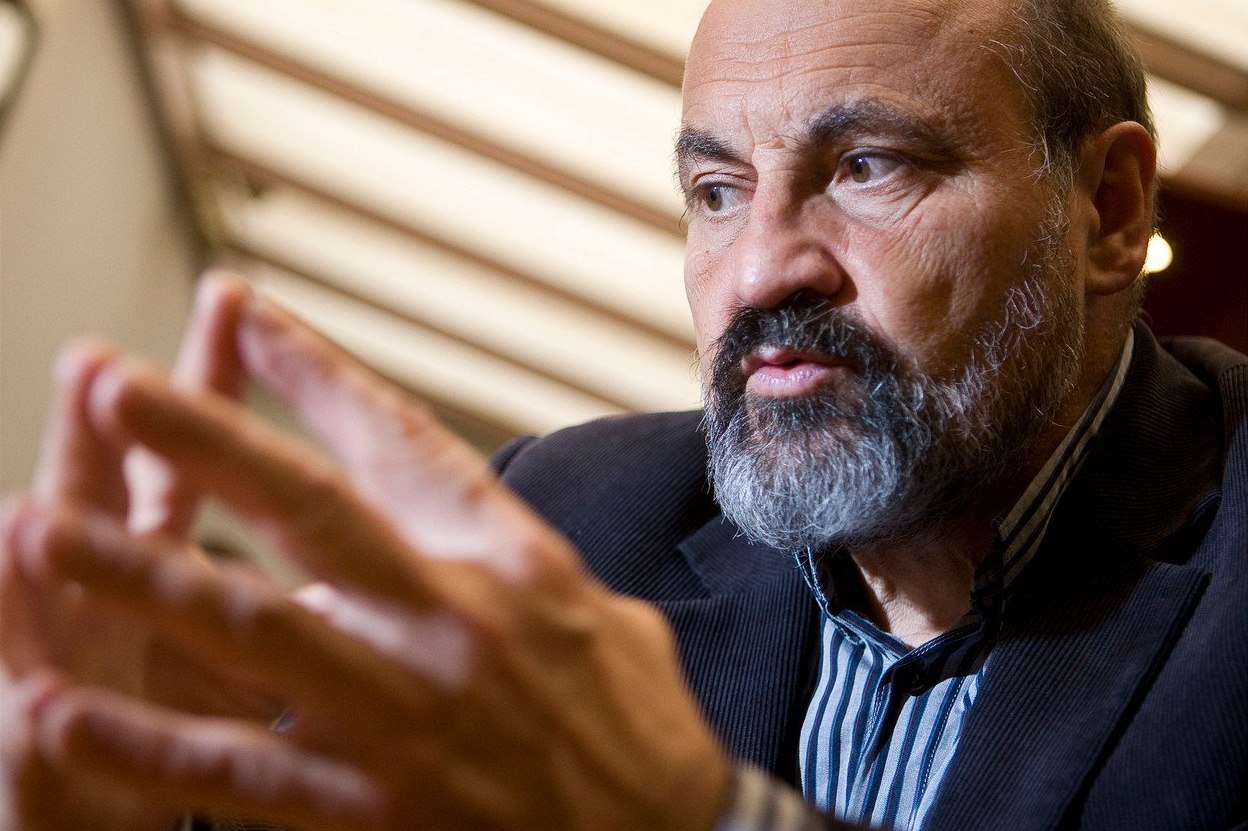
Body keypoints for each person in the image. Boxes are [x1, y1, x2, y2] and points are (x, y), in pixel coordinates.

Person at [1, 0, 1244, 828]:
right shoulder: (567, 516)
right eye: (717, 190)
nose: (760, 272)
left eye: (870, 167)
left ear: (1109, 209)